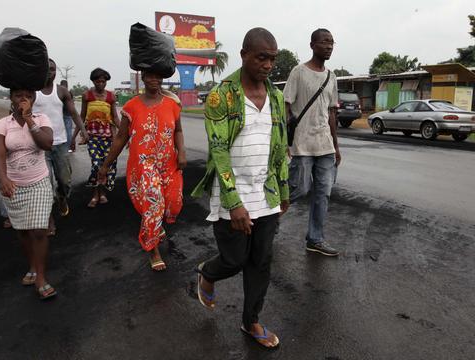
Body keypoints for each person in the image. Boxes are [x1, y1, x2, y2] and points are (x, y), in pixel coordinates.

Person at [191, 27, 289, 349]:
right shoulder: (223, 96)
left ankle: (251, 322)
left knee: (260, 262)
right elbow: (218, 151)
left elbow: (280, 147)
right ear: (244, 54)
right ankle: (208, 272)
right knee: (233, 260)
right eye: (262, 57)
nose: (268, 65)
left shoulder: (275, 96)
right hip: (231, 195)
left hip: (266, 194)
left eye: (272, 59)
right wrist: (234, 203)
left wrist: (284, 191)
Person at [97, 71, 186, 271]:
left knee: (173, 204)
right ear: (143, 78)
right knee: (153, 205)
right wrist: (106, 165)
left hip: (169, 163)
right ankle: (153, 249)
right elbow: (121, 138)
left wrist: (182, 152)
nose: (155, 79)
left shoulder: (173, 105)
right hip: (144, 165)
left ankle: (156, 225)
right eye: (150, 76)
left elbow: (178, 130)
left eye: (158, 76)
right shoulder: (131, 107)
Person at [0, 89, 57, 300]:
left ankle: (40, 276)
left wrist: (29, 119)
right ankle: (32, 265)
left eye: (28, 95)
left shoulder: (42, 118)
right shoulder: (3, 124)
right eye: (19, 95)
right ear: (11, 98)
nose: (23, 99)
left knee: (39, 230)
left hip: (39, 182)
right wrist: (2, 179)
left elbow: (46, 144)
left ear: (34, 99)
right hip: (14, 185)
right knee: (22, 230)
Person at [283, 28, 341, 257]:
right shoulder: (298, 72)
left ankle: (315, 239)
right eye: (324, 42)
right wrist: (285, 140)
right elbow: (286, 107)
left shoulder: (332, 76)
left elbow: (332, 114)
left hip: (325, 145)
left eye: (332, 42)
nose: (329, 46)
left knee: (323, 193)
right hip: (302, 144)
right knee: (298, 189)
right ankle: (268, 221)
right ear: (312, 45)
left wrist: (336, 146)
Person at [33, 59, 88, 234]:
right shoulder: (33, 92)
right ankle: (49, 221)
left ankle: (62, 198)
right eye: (47, 69)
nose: (50, 72)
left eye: (52, 69)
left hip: (60, 143)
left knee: (65, 181)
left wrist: (83, 131)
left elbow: (73, 112)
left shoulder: (62, 91)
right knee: (45, 183)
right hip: (40, 145)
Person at [73, 67, 120, 207]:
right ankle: (95, 194)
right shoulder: (86, 96)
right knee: (96, 165)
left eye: (103, 81)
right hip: (92, 137)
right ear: (93, 81)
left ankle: (103, 193)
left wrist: (127, 132)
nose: (101, 84)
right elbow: (81, 116)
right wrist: (74, 137)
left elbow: (115, 118)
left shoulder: (111, 97)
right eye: (98, 81)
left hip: (108, 138)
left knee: (107, 166)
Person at [59, 80, 75, 152]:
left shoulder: (59, 92)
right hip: (68, 114)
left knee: (62, 130)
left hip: (61, 114)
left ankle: (62, 145)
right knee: (68, 131)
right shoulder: (69, 93)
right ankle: (68, 147)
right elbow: (72, 104)